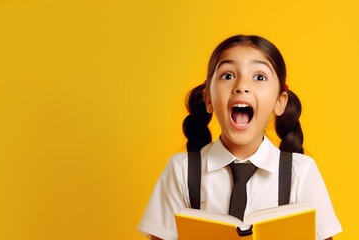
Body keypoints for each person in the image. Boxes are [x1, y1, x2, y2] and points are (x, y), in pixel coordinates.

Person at [137, 35, 342, 240]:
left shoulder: (302, 172)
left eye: (259, 77)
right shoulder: (181, 170)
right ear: (208, 98)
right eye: (228, 76)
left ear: (280, 101)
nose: (241, 86)